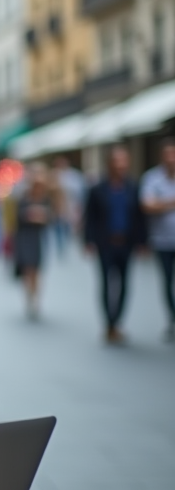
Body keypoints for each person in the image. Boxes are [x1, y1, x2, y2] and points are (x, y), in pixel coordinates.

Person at [83, 145, 148, 345]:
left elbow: (139, 217)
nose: (121, 165)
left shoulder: (133, 187)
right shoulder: (97, 189)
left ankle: (117, 320)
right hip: (105, 243)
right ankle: (109, 323)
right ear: (109, 164)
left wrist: (142, 242)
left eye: (124, 161)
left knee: (124, 284)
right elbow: (90, 217)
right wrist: (88, 241)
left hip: (126, 243)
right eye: (117, 161)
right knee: (106, 283)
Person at [140, 137, 175, 341]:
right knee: (167, 281)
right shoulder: (152, 178)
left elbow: (155, 204)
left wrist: (161, 204)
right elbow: (148, 205)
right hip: (162, 241)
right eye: (167, 154)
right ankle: (172, 317)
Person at [12, 164, 57, 320]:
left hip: (38, 238)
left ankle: (35, 298)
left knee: (36, 270)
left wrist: (38, 216)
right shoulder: (24, 197)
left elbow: (50, 217)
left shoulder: (46, 199)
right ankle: (29, 297)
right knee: (27, 269)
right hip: (25, 237)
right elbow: (18, 217)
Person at [51, 155, 86, 257]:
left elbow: (79, 193)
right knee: (59, 231)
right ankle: (62, 249)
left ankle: (68, 247)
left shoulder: (74, 176)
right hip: (58, 210)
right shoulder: (54, 175)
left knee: (70, 230)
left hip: (71, 209)